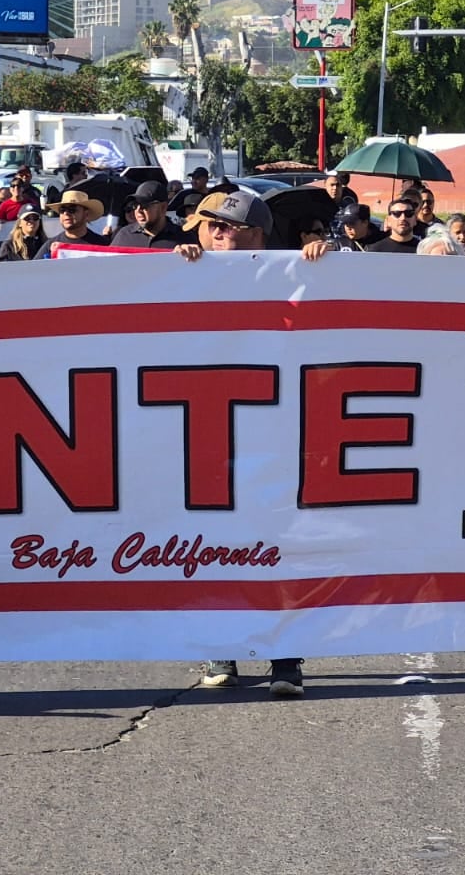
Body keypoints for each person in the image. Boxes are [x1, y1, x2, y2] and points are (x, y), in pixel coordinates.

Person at [176, 189, 309, 697]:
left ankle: (285, 660)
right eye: (208, 224)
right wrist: (170, 271)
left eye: (225, 226)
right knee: (210, 548)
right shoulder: (183, 272)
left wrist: (319, 264)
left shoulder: (291, 274)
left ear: (255, 234)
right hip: (204, 441)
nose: (213, 233)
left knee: (276, 548)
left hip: (271, 436)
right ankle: (221, 651)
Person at [110, 181, 187, 250]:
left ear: (163, 207)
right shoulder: (123, 235)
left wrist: (191, 254)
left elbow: (195, 263)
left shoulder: (184, 238)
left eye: (144, 205)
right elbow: (109, 262)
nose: (138, 210)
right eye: (135, 205)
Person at [40, 189, 107, 256]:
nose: (66, 213)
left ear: (86, 214)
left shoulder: (102, 245)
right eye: (62, 210)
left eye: (72, 210)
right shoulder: (50, 246)